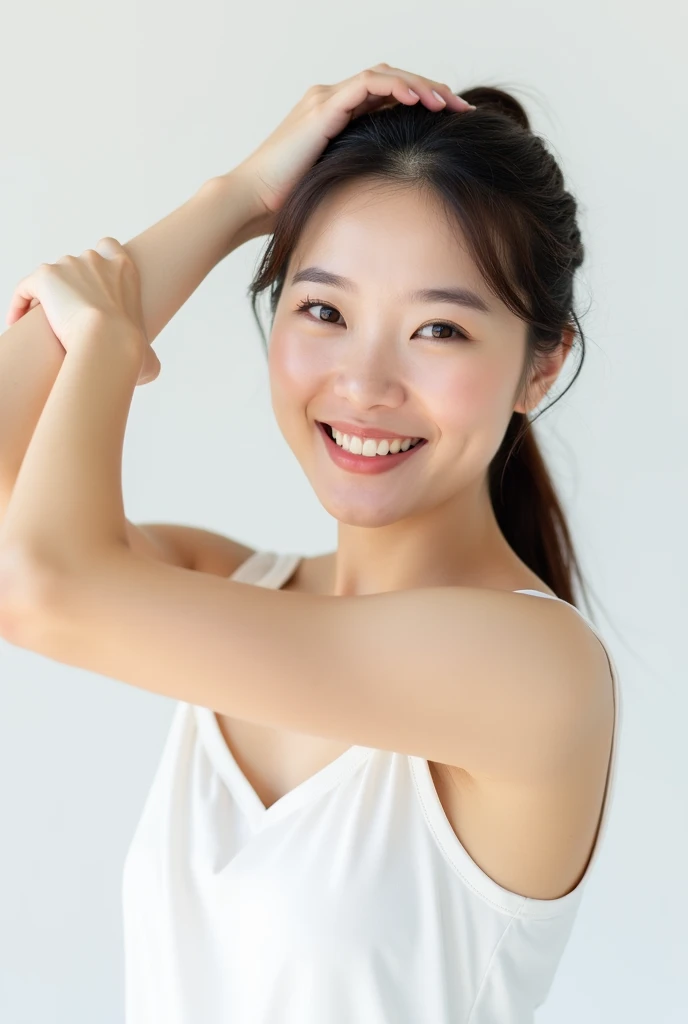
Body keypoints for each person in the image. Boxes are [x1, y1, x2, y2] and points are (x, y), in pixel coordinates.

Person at [0, 65, 621, 1023]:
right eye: (323, 310)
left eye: (440, 329)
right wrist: (235, 200)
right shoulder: (229, 581)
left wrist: (112, 344)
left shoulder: (538, 669)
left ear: (541, 368)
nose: (365, 384)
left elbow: (35, 588)